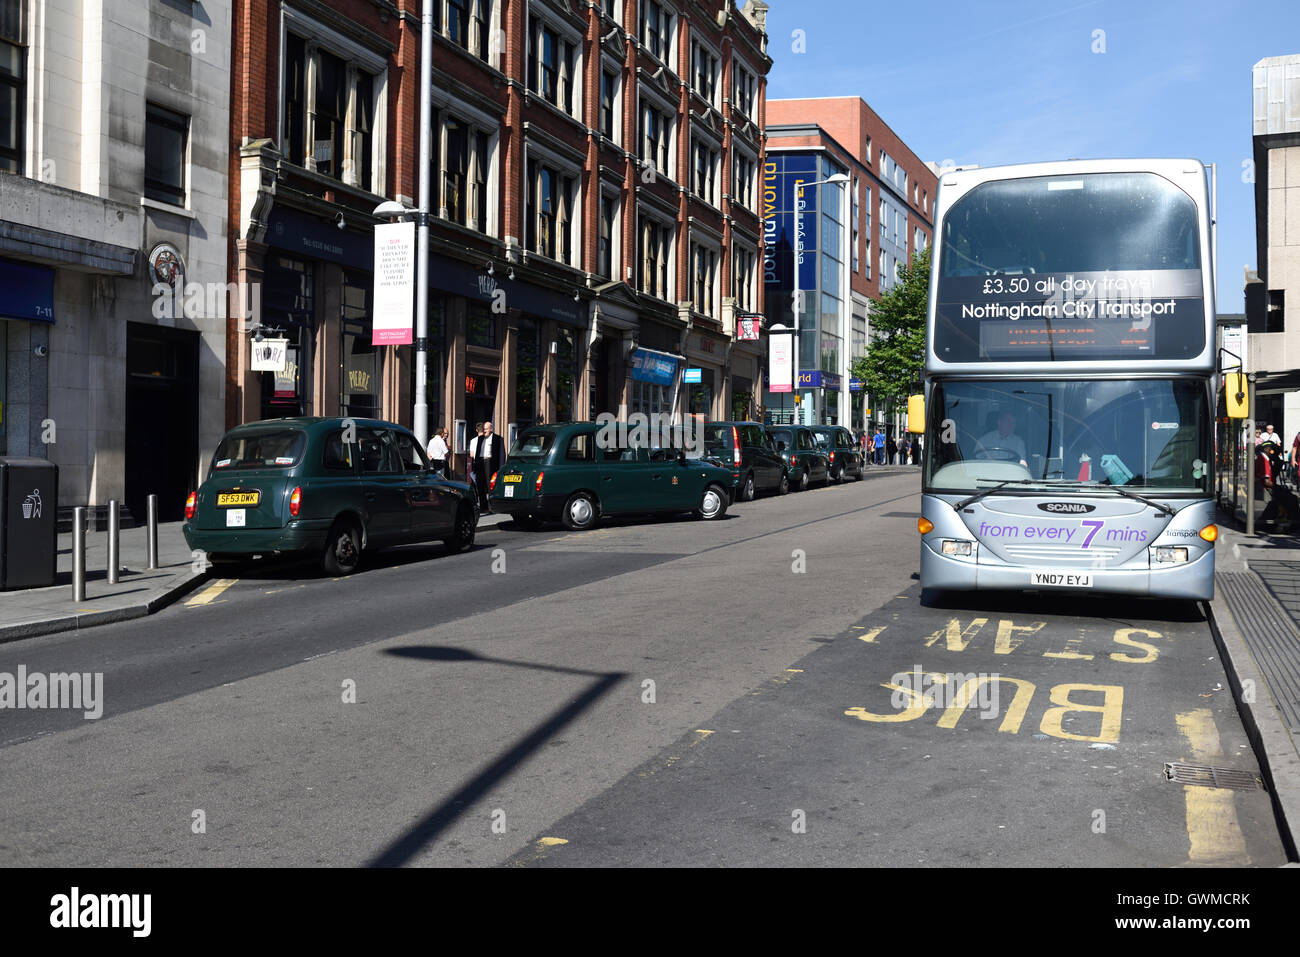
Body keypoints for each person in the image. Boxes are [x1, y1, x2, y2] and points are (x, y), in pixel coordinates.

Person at [474, 421, 505, 512]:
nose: (484, 431)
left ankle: (492, 506)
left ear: (491, 429)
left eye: (486, 429)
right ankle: (483, 507)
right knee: (480, 485)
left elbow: (502, 454)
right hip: (480, 462)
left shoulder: (498, 439)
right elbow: (476, 453)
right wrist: (475, 466)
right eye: (483, 429)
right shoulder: (480, 439)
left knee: (490, 485)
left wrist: (501, 468)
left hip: (491, 463)